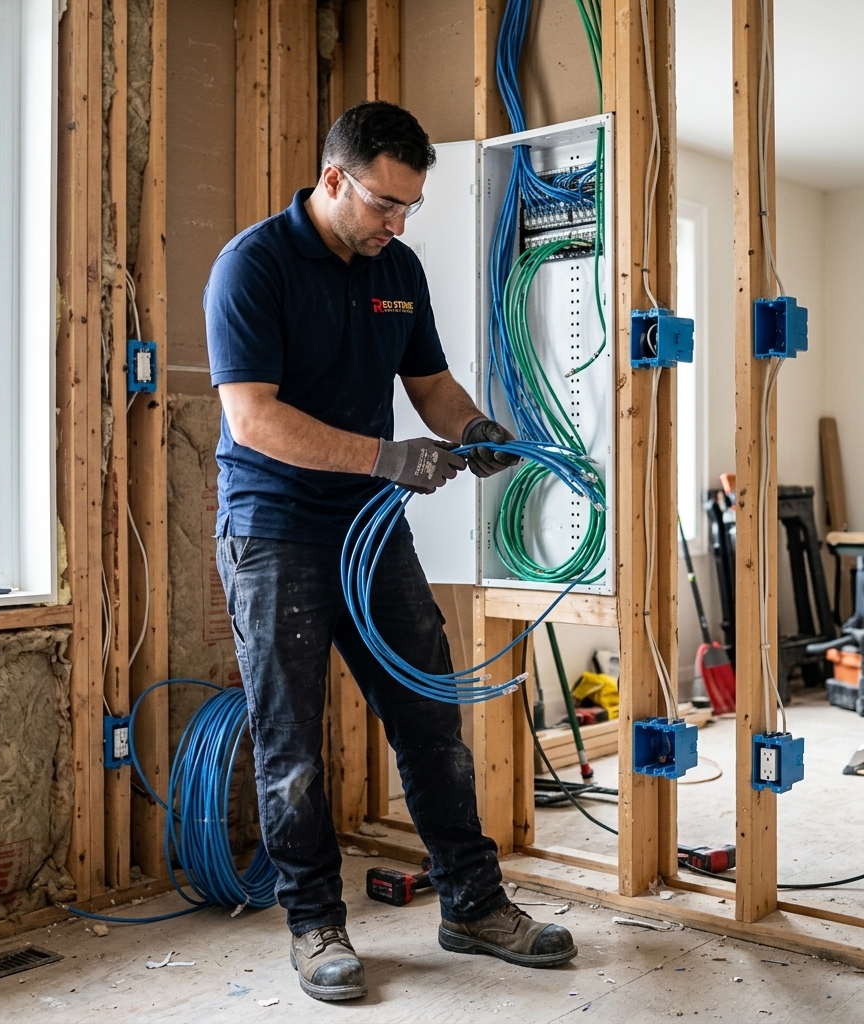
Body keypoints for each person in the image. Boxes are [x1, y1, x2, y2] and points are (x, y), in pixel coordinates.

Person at [204, 100, 576, 1003]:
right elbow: (252, 418)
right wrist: (385, 457)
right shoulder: (251, 267)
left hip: (371, 532)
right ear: (334, 180)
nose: (397, 223)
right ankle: (315, 925)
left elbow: (432, 385)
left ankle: (473, 904)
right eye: (383, 203)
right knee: (292, 741)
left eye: (410, 207)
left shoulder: (396, 268)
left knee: (429, 717)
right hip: (276, 532)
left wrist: (477, 427)